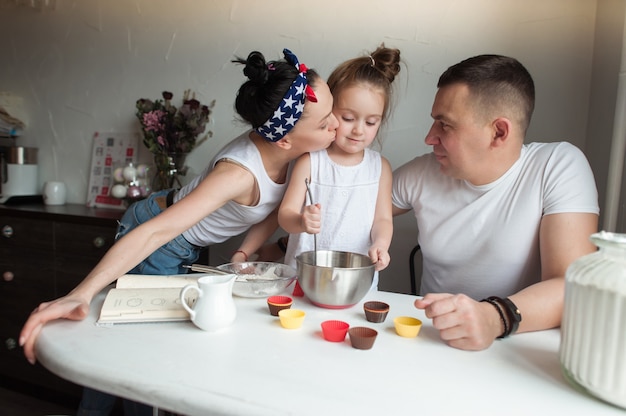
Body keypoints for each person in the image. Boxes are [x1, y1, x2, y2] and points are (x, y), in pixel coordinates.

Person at [19, 48, 338, 415]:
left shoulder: (292, 153)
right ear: (285, 139)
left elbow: (273, 210)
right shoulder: (237, 174)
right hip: (158, 235)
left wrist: (243, 252)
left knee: (125, 349)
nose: (336, 127)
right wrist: (81, 293)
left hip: (182, 242)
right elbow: (156, 234)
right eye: (325, 122)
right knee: (139, 357)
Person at [392, 54, 599, 351]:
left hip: (519, 350)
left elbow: (572, 286)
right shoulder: (424, 172)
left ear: (499, 132)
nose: (429, 137)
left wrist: (492, 318)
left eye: (445, 125)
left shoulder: (557, 165)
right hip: (432, 344)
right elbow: (348, 207)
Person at [278, 44, 401, 289]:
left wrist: (381, 244)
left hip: (356, 282)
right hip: (305, 280)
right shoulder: (310, 161)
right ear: (330, 109)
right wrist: (301, 221)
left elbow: (383, 220)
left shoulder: (380, 168)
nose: (358, 129)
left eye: (371, 122)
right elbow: (285, 215)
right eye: (348, 118)